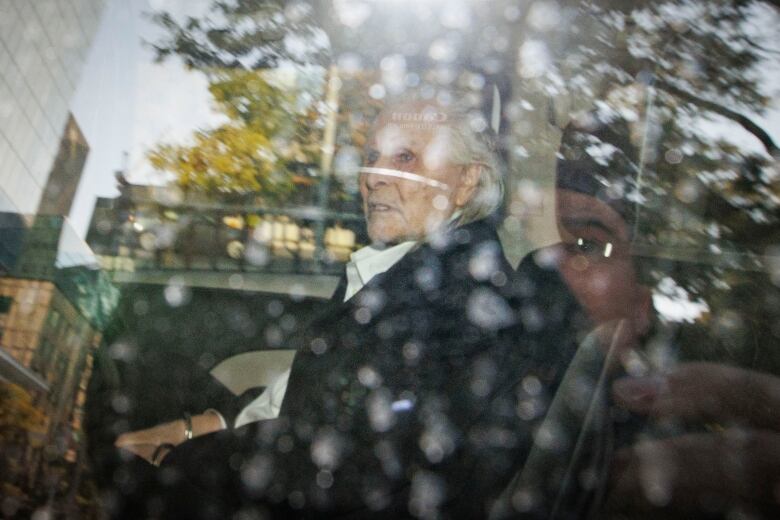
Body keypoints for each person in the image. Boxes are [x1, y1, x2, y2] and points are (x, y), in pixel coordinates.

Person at [100, 94, 586, 519]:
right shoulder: (405, 271)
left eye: (406, 157)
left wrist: (170, 465)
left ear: (465, 184)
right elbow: (311, 402)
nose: (375, 177)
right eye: (372, 156)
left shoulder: (453, 300)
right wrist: (199, 426)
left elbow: (335, 467)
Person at [513, 110, 780, 519]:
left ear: (642, 308)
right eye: (523, 250)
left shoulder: (702, 460)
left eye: (586, 244)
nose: (546, 273)